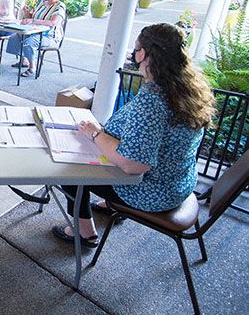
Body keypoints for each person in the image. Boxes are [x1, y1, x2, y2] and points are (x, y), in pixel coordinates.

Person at [51, 23, 216, 248]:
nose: (133, 54)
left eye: (136, 49)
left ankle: (84, 232)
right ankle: (110, 205)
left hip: (150, 191)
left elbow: (133, 165)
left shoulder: (153, 98)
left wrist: (95, 134)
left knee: (71, 172)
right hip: (178, 181)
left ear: (146, 54)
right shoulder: (188, 86)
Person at [5, 0, 66, 77]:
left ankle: (32, 67)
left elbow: (52, 22)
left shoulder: (59, 6)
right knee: (15, 37)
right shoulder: (41, 3)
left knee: (29, 42)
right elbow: (31, 17)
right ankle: (24, 60)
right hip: (34, 32)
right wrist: (26, 12)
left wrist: (33, 20)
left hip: (49, 36)